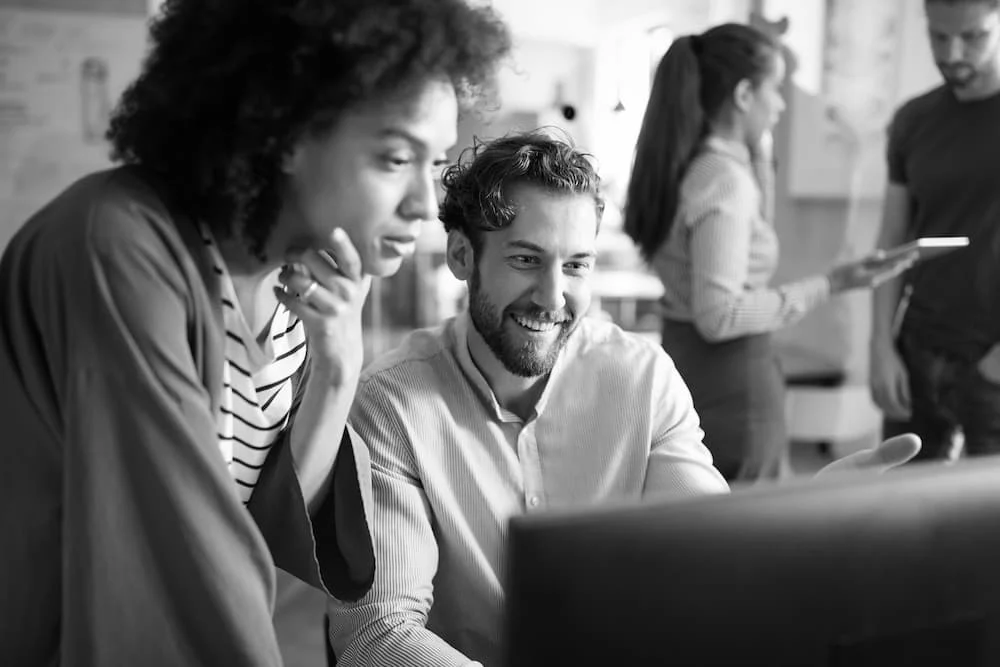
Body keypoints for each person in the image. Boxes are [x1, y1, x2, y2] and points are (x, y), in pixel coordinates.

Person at [0, 0, 510, 664]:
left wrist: (337, 365)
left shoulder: (286, 288)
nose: (425, 203)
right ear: (285, 130)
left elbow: (268, 526)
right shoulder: (118, 244)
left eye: (433, 162)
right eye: (393, 159)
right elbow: (171, 563)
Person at [326, 131, 922, 666]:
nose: (552, 297)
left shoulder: (643, 377)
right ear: (462, 256)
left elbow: (703, 545)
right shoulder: (391, 402)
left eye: (575, 265)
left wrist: (800, 527)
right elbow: (379, 634)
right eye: (526, 260)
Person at [621, 23, 917, 484]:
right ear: (743, 94)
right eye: (774, 89)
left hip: (688, 365)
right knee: (746, 531)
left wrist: (758, 151)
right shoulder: (722, 179)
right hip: (732, 382)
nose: (780, 105)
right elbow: (720, 315)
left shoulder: (690, 168)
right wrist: (831, 284)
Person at [870, 0, 1000, 462]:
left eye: (973, 36)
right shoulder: (912, 120)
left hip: (991, 360)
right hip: (917, 350)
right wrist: (881, 345)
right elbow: (892, 238)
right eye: (939, 37)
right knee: (901, 518)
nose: (953, 52)